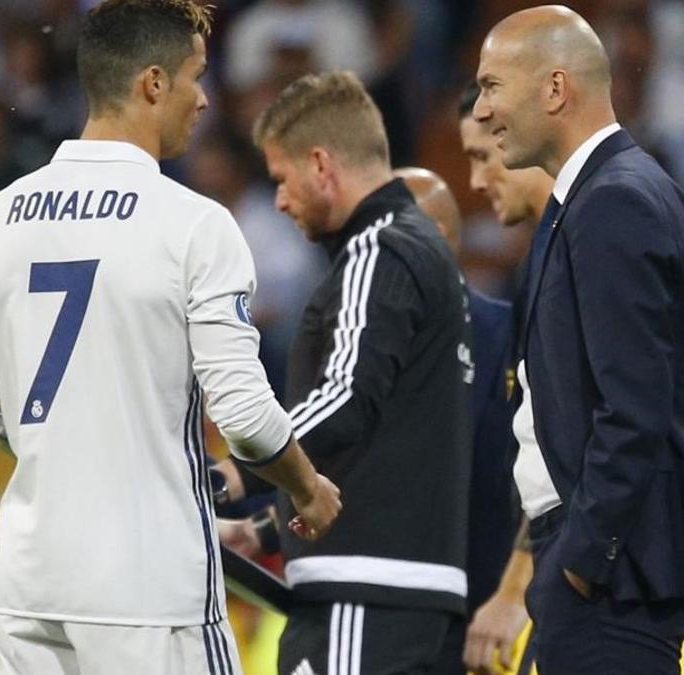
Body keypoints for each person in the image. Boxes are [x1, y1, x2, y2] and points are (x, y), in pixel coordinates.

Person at [0, 2, 341, 673]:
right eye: (194, 76)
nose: (204, 99)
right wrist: (307, 487)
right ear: (153, 83)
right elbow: (244, 417)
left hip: (30, 589)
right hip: (151, 588)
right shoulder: (193, 227)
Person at [473, 6, 684, 673]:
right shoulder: (606, 194)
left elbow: (634, 408)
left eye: (491, 86)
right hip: (601, 571)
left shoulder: (614, 200)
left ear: (556, 89)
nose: (482, 112)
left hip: (612, 580)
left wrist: (582, 558)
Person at [230, 70, 472, 675]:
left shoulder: (379, 249)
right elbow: (387, 439)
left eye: (282, 180)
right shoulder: (416, 252)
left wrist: (233, 474)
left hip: (362, 593)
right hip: (402, 593)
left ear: (320, 164)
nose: (281, 200)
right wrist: (261, 530)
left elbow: (343, 398)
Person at [394, 165, 519, 674]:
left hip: (473, 626)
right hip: (377, 623)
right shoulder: (353, 341)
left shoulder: (507, 338)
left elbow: (536, 480)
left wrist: (511, 593)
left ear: (437, 237)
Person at [457, 80, 554, 675]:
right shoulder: (538, 262)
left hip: (603, 602)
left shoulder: (579, 246)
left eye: (482, 157)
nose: (474, 181)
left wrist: (515, 587)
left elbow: (578, 440)